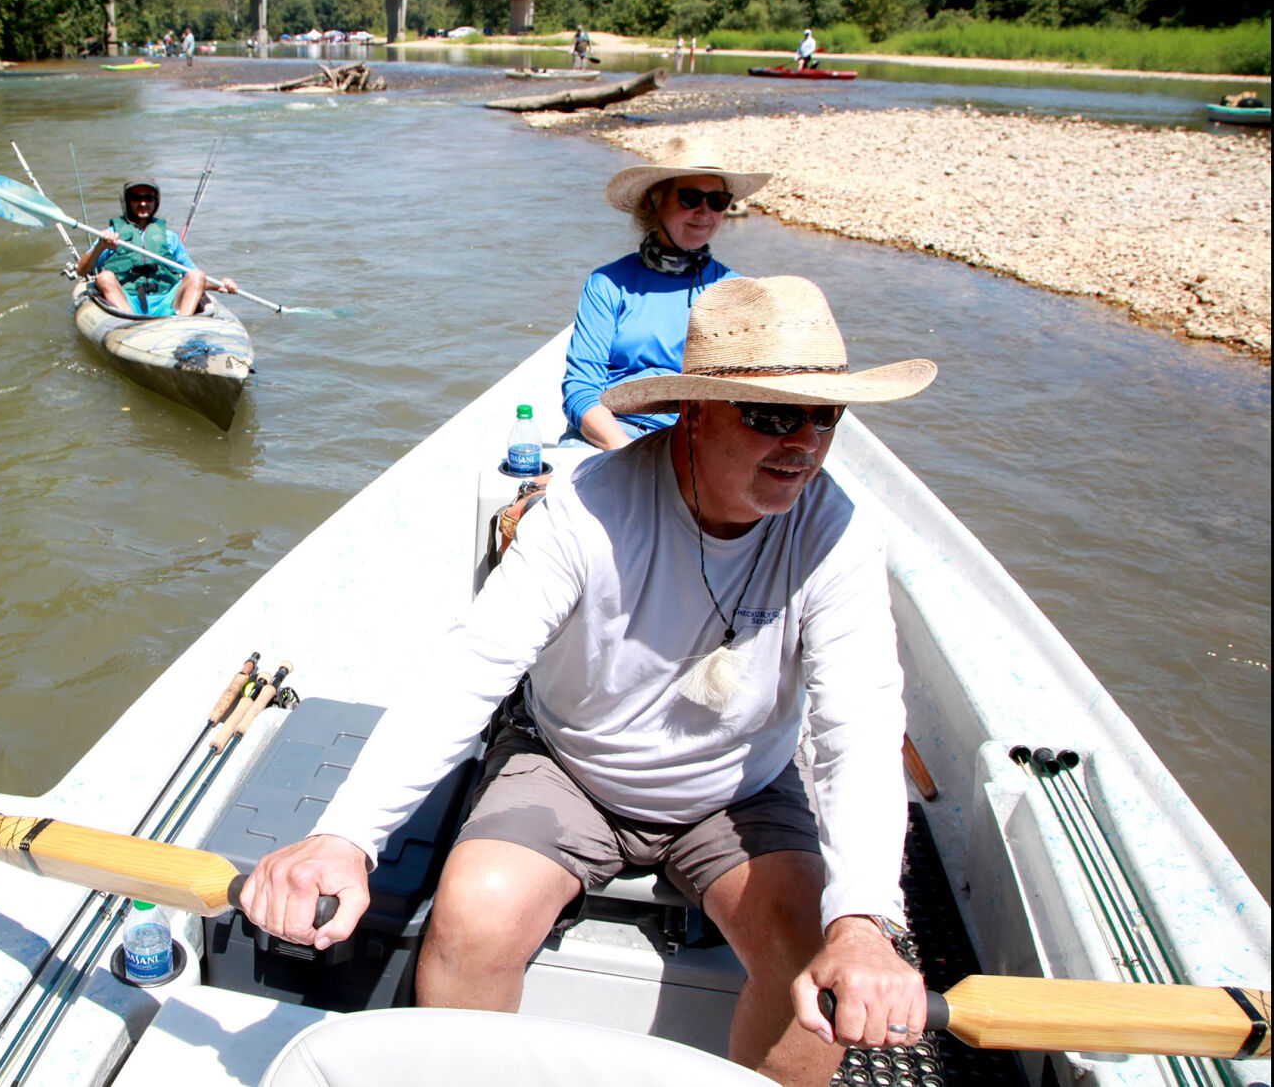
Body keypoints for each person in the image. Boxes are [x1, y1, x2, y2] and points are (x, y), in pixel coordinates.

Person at [239, 275, 938, 1086]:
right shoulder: (585, 506)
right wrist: (346, 837)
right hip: (570, 767)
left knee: (815, 961)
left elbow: (859, 730)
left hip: (737, 789)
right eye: (773, 416)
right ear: (695, 413)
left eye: (826, 417)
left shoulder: (838, 535)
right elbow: (470, 672)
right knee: (473, 916)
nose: (805, 445)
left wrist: (863, 921)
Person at [560, 137, 771, 449]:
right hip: (610, 436)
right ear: (653, 201)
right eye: (690, 198)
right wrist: (625, 452)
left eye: (717, 201)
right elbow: (581, 389)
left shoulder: (738, 291)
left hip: (697, 445)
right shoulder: (607, 283)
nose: (704, 212)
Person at [74, 177, 236, 316]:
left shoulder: (169, 238)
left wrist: (221, 285)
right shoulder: (111, 234)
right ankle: (131, 323)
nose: (143, 203)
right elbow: (82, 271)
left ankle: (184, 323)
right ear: (127, 201)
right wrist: (100, 247)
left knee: (197, 274)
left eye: (149, 198)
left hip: (166, 300)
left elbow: (196, 279)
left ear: (155, 201)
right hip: (128, 301)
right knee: (104, 277)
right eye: (136, 198)